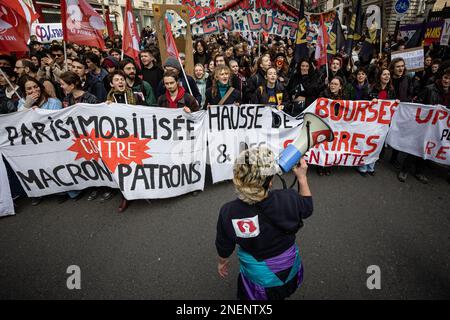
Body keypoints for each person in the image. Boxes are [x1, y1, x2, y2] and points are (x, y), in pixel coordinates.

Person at [215, 147, 313, 300]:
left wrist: (222, 262)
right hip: (290, 269)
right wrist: (302, 178)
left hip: (260, 281)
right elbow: (307, 208)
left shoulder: (229, 212)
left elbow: (224, 245)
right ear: (271, 180)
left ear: (238, 179)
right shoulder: (289, 197)